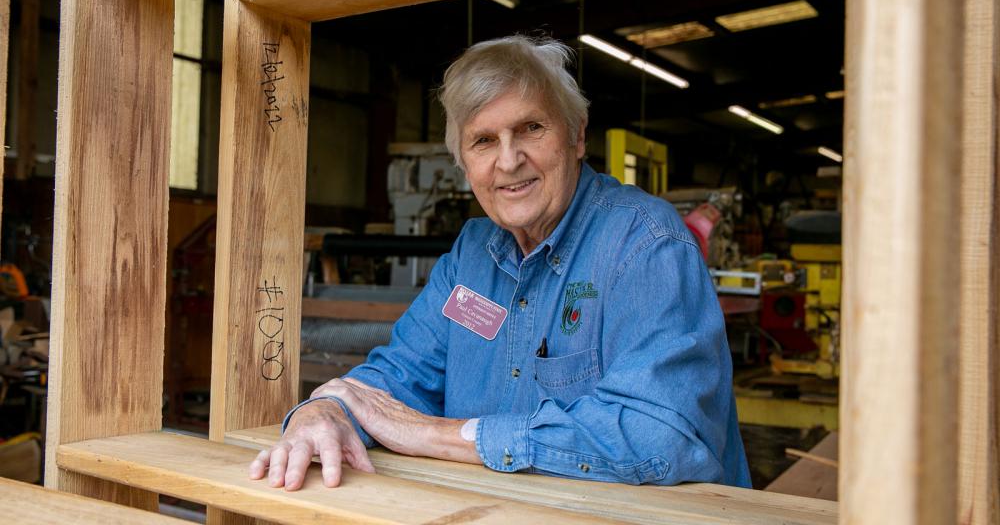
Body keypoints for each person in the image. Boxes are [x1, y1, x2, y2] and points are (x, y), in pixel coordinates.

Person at [249, 35, 751, 491]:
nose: (508, 161)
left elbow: (661, 437)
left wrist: (442, 435)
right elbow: (401, 375)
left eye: (530, 128)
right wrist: (325, 411)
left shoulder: (646, 245)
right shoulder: (472, 256)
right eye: (484, 140)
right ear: (465, 162)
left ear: (577, 136)